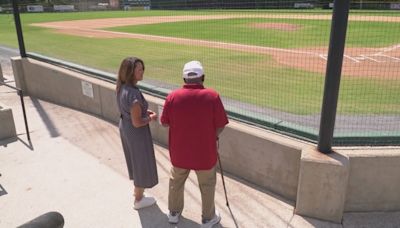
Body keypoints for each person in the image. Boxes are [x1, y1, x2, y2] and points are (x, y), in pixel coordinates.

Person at [160, 60, 229, 228]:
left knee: (176, 182)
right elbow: (221, 124)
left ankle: (174, 213)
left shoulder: (172, 97)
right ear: (202, 77)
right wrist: (211, 137)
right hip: (205, 154)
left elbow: (164, 122)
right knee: (207, 185)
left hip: (179, 153)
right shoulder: (212, 96)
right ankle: (207, 219)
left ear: (184, 78)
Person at [116, 57, 158, 210]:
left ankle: (137, 193)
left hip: (125, 127)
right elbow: (137, 122)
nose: (142, 72)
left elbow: (130, 111)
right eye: (139, 69)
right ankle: (139, 199)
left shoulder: (122, 87)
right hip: (135, 131)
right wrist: (150, 118)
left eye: (142, 68)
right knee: (141, 162)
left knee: (135, 160)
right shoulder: (133, 94)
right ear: (130, 72)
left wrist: (143, 111)